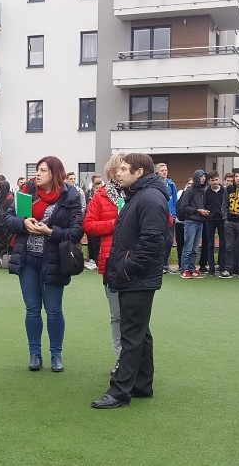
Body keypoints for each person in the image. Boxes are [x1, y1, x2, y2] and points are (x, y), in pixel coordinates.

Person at [91, 152, 168, 409]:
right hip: (135, 276)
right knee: (140, 332)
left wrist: (128, 268)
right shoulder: (139, 195)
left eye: (124, 169)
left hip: (137, 277)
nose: (118, 172)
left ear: (139, 172)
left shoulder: (149, 198)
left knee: (131, 334)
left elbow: (153, 241)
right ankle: (142, 385)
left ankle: (120, 391)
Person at [4, 156, 83, 373]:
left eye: (43, 171)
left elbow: (76, 231)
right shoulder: (26, 191)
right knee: (32, 309)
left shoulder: (70, 196)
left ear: (55, 174)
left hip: (55, 260)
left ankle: (56, 355)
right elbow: (7, 219)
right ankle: (35, 354)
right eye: (37, 170)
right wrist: (23, 223)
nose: (37, 174)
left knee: (54, 310)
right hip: (27, 259)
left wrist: (50, 232)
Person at [83, 154, 125, 375]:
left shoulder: (142, 193)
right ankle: (121, 360)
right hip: (110, 262)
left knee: (137, 317)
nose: (121, 172)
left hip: (137, 262)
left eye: (126, 168)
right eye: (119, 168)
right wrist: (115, 223)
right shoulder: (100, 196)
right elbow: (89, 226)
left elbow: (164, 219)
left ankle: (137, 360)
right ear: (110, 172)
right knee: (117, 315)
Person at [177, 170, 208, 279]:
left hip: (200, 221)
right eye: (201, 177)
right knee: (188, 247)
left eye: (204, 177)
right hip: (190, 222)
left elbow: (202, 205)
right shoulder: (189, 191)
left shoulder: (203, 191)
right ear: (196, 178)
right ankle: (185, 269)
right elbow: (183, 207)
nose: (203, 178)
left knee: (195, 248)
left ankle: (191, 268)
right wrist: (197, 211)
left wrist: (204, 211)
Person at [155, 163, 178, 274]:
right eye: (162, 170)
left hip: (170, 217)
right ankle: (157, 264)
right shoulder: (154, 184)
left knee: (169, 241)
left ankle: (165, 263)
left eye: (166, 170)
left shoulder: (171, 184)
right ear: (158, 172)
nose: (164, 172)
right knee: (159, 240)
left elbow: (174, 201)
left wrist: (173, 214)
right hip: (158, 216)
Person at [202, 171, 226, 275]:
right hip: (210, 220)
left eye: (216, 179)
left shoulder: (224, 191)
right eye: (212, 180)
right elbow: (204, 204)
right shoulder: (206, 192)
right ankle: (211, 266)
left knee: (223, 243)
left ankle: (222, 265)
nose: (215, 182)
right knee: (210, 243)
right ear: (209, 181)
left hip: (222, 220)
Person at [0, 180, 14, 265]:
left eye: (0, 188)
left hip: (5, 223)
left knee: (5, 242)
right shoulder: (0, 197)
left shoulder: (10, 198)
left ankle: (4, 259)